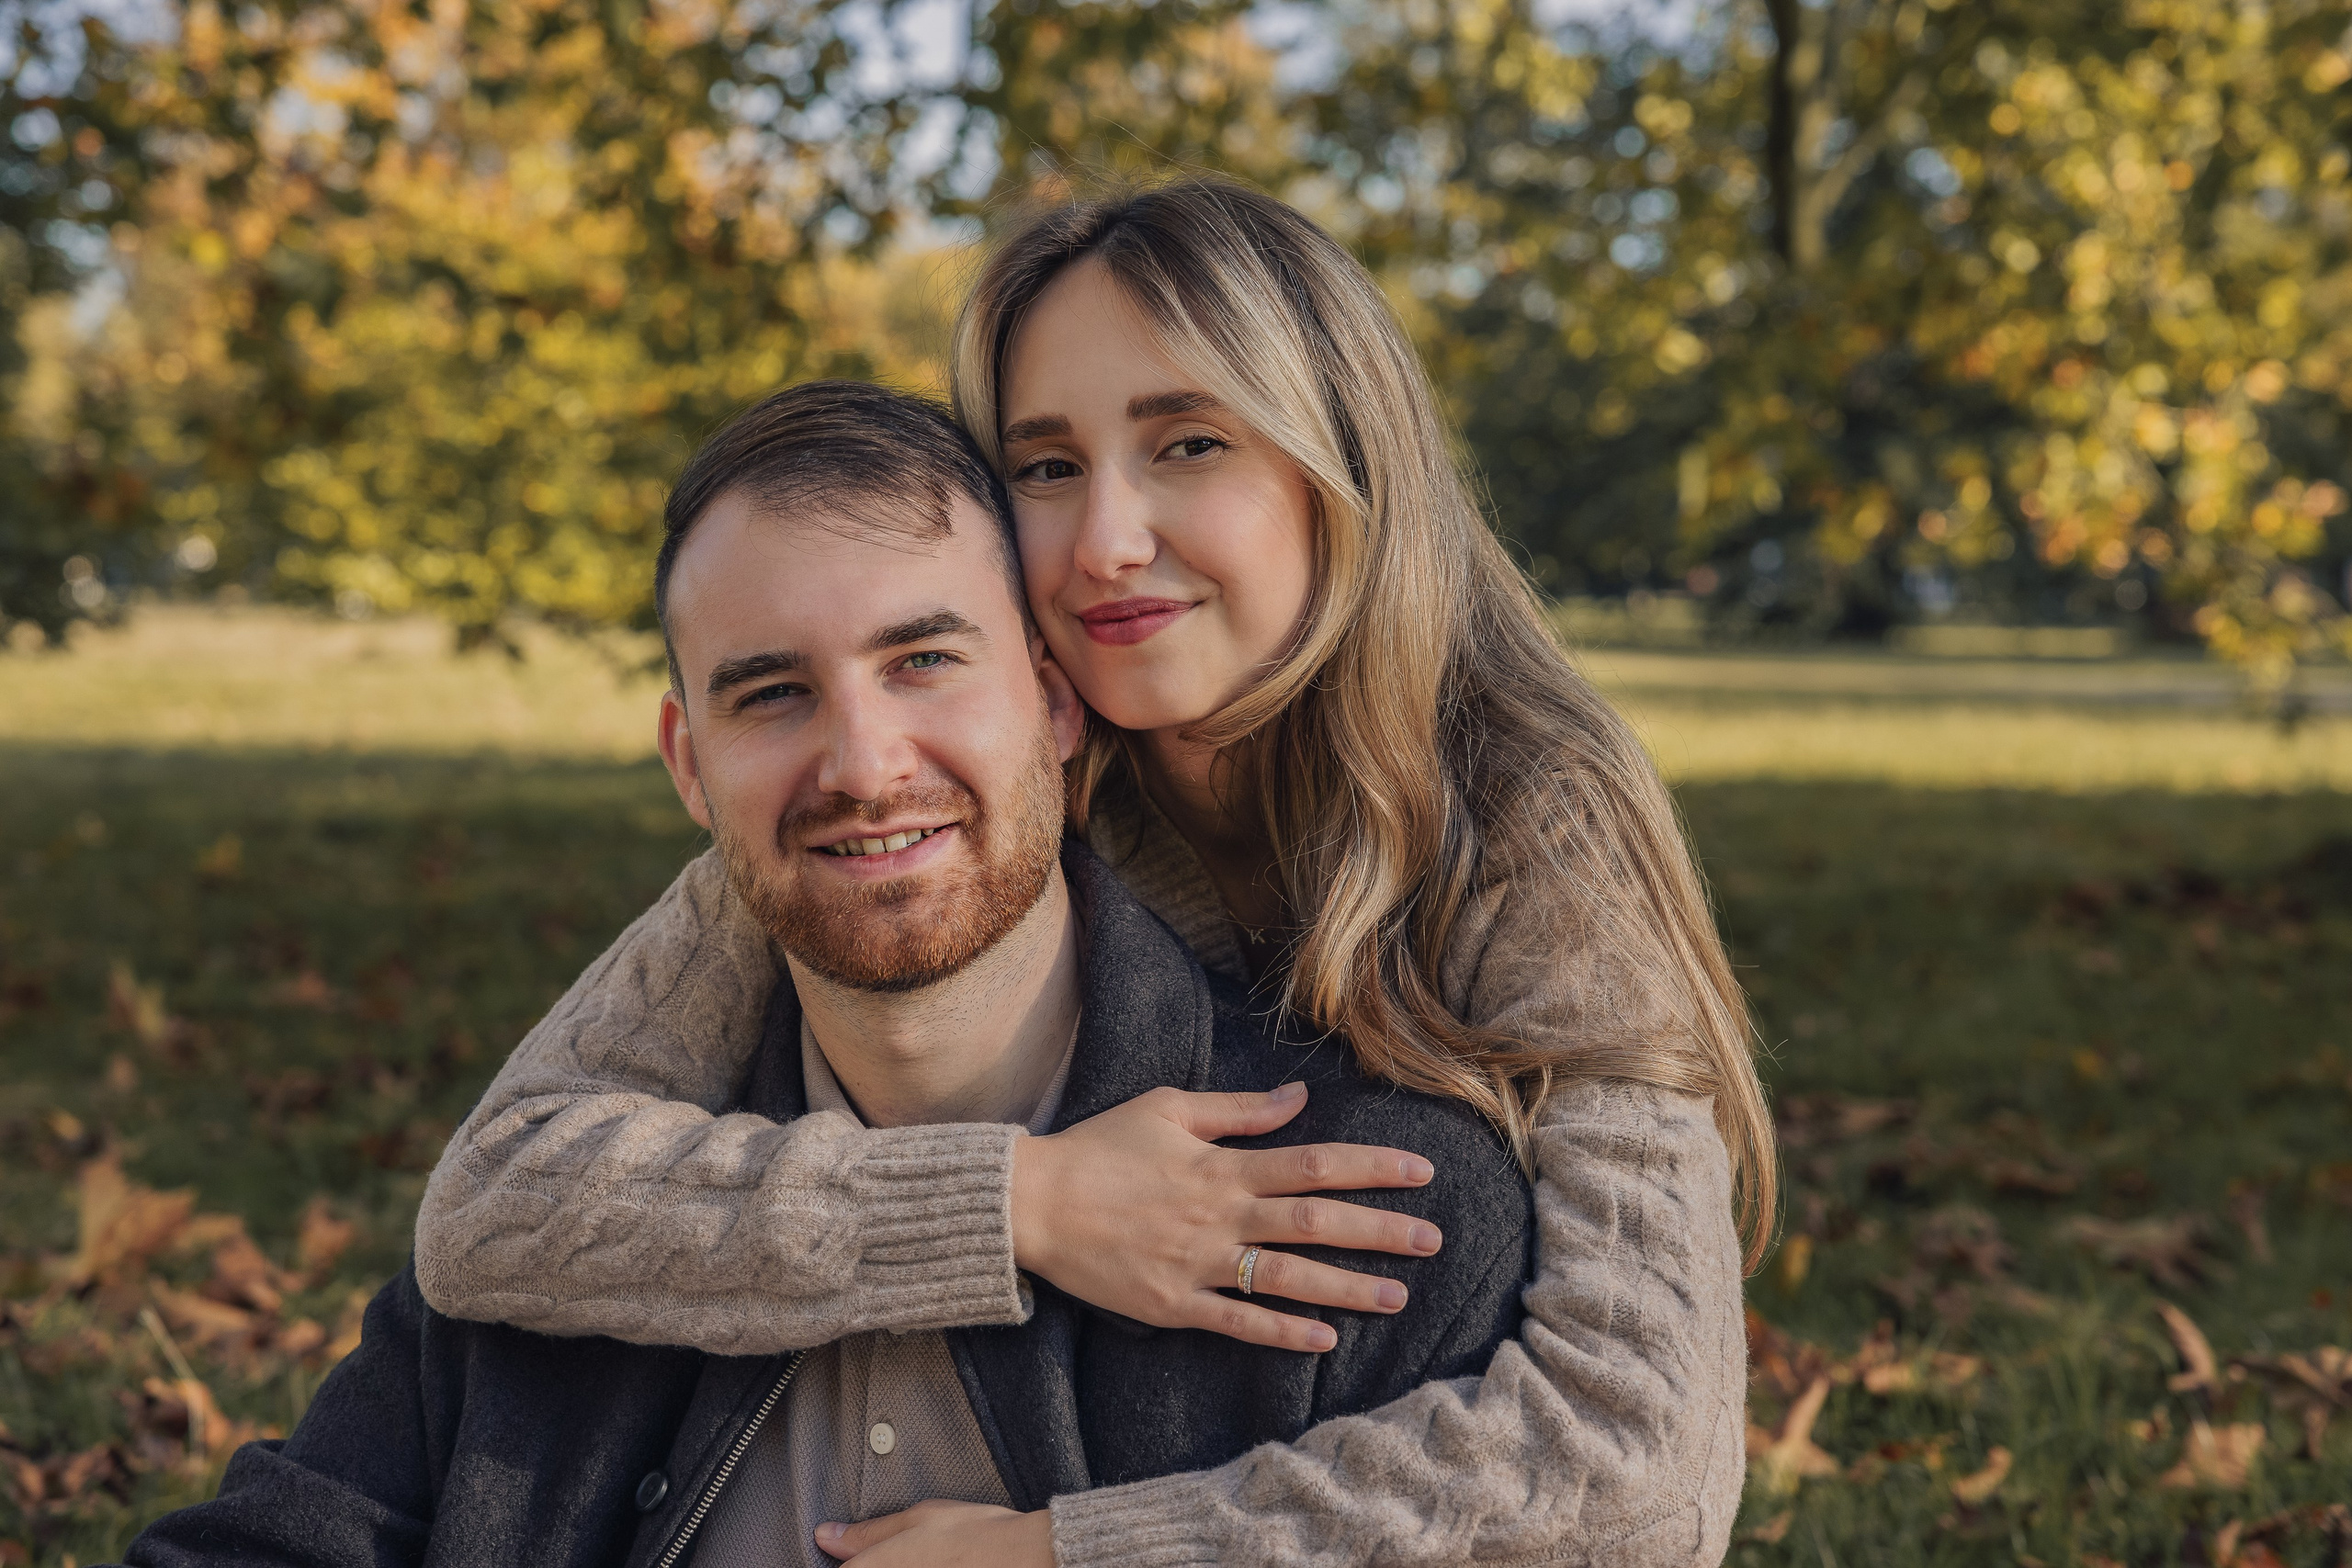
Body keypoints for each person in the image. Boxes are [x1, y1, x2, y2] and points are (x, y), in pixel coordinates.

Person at [415, 175, 1771, 1565]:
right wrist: (1021, 1201)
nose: (1108, 539)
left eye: (1187, 443)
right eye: (1048, 467)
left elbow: (1642, 1468)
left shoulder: (1528, 824)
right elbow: (496, 1203)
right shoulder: (965, 795)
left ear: (1340, 466)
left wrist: (1069, 1554)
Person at [120, 384, 1536, 1568]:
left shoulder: (1370, 1208)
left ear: (1053, 701)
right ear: (689, 764)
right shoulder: (581, 1205)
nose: (862, 767)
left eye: (923, 661)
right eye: (772, 693)